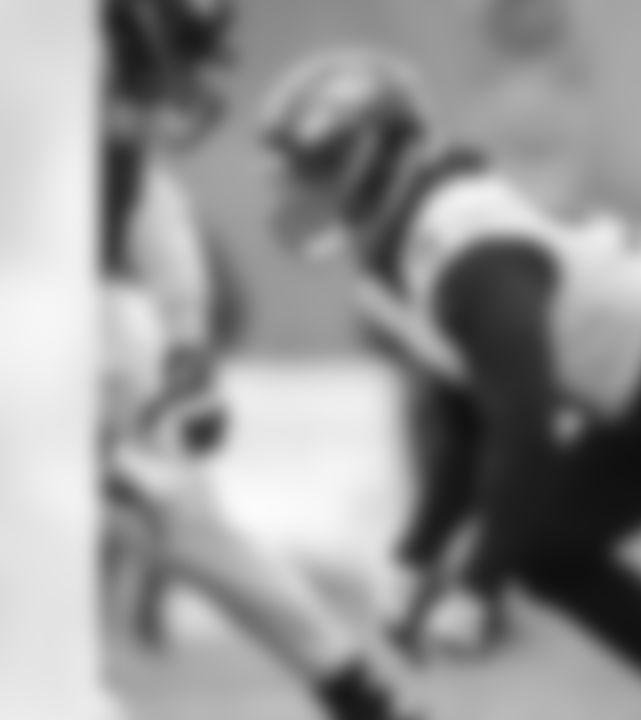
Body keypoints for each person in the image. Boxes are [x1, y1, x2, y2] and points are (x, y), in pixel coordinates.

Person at [258, 47, 641, 720]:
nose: (299, 189)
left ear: (377, 158)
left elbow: (525, 430)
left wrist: (476, 587)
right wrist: (413, 557)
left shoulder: (463, 244)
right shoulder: (411, 248)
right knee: (546, 545)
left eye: (317, 166)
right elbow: (466, 419)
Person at [99, 2, 428, 718]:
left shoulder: (108, 143)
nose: (196, 80)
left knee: (167, 505)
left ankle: (356, 687)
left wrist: (185, 341)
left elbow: (145, 201)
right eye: (184, 52)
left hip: (82, 322)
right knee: (149, 504)